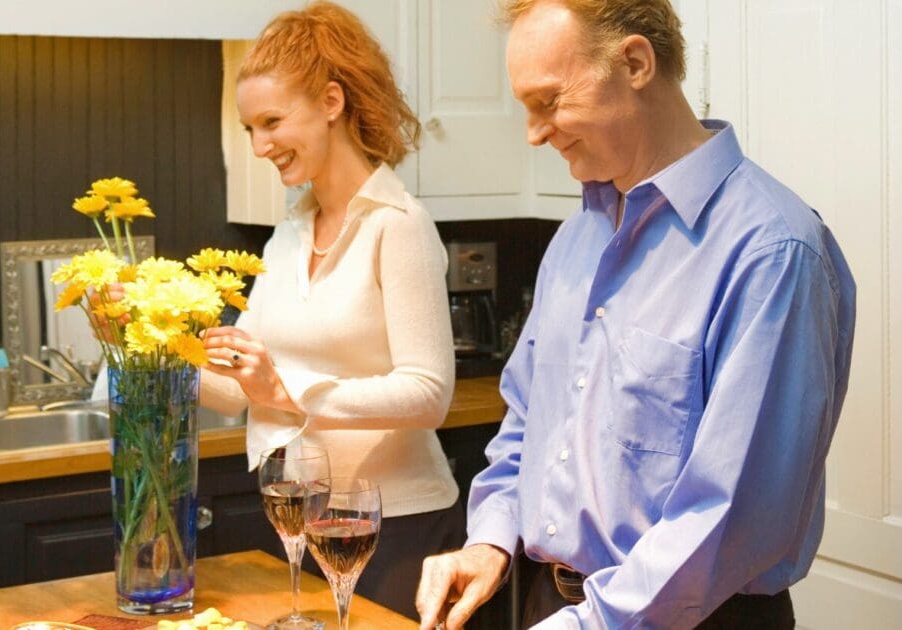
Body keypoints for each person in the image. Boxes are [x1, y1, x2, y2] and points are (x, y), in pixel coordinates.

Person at [415, 1, 856, 628]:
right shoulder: (578, 236)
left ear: (634, 62)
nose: (533, 133)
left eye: (547, 102)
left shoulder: (773, 250)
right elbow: (527, 418)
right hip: (555, 603)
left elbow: (729, 517)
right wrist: (491, 538)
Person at [198, 1, 463, 620]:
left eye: (271, 121)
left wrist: (290, 392)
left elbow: (430, 393)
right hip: (302, 519)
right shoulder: (288, 234)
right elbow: (239, 390)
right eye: (249, 130)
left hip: (394, 529)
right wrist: (149, 349)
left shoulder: (397, 226)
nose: (261, 145)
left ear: (331, 103)